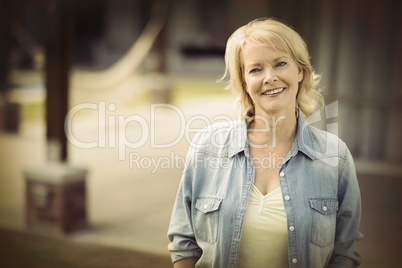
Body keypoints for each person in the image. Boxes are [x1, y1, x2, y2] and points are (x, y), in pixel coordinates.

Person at [167, 17, 363, 268]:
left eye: (280, 64)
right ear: (245, 82)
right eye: (256, 69)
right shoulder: (207, 146)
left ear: (300, 71)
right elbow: (183, 242)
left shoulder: (335, 156)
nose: (269, 77)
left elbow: (344, 253)